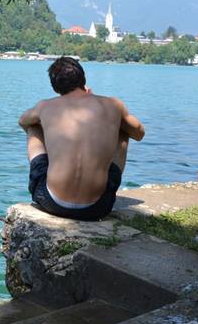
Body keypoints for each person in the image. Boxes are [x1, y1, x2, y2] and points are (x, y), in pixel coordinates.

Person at [18, 57, 145, 220]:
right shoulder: (114, 104)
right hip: (98, 207)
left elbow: (22, 121)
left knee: (33, 125)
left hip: (51, 201)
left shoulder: (45, 106)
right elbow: (139, 134)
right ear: (83, 78)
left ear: (55, 87)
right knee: (124, 130)